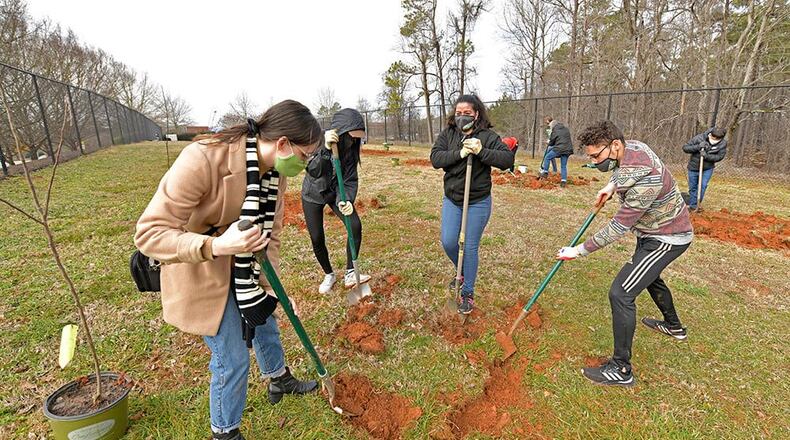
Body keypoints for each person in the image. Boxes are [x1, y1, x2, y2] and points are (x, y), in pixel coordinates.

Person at [135, 100, 322, 440]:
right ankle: (225, 432)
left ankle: (277, 379)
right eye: (305, 156)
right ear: (282, 144)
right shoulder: (203, 158)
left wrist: (270, 286)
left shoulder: (275, 174)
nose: (305, 165)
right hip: (201, 269)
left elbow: (272, 235)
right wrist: (218, 246)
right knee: (232, 357)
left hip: (245, 266)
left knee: (264, 314)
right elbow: (150, 234)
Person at [556, 120, 693, 387]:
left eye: (596, 155)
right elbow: (624, 171)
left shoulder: (646, 183)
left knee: (621, 293)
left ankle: (621, 369)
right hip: (652, 232)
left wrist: (579, 250)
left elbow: (618, 227)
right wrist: (611, 186)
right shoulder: (634, 147)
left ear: (615, 145)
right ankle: (674, 326)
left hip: (667, 238)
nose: (594, 162)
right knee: (649, 276)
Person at [430, 95, 514, 314]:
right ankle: (463, 271)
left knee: (468, 246)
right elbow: (435, 159)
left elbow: (507, 161)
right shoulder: (448, 135)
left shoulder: (486, 136)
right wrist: (460, 153)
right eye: (458, 113)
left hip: (477, 201)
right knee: (449, 242)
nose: (462, 116)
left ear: (477, 114)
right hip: (453, 199)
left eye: (467, 113)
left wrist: (481, 151)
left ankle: (467, 292)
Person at [301, 108, 370, 294]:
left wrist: (344, 200)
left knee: (355, 225)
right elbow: (314, 171)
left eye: (358, 137)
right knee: (317, 237)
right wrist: (325, 148)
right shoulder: (320, 143)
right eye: (352, 136)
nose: (355, 140)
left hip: (335, 193)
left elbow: (349, 179)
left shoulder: (351, 150)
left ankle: (350, 272)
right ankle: (329, 274)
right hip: (313, 193)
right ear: (340, 132)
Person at [682, 127, 727, 211]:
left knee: (702, 186)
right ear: (710, 134)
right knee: (693, 187)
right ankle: (693, 205)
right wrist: (698, 147)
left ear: (721, 138)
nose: (714, 139)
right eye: (713, 137)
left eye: (717, 138)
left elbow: (719, 157)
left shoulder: (722, 144)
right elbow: (685, 148)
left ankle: (695, 205)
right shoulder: (700, 138)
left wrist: (707, 156)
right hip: (693, 167)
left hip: (707, 168)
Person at [539, 117, 573, 187]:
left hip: (559, 148)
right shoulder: (566, 129)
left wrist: (549, 142)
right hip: (568, 149)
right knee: (563, 166)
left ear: (553, 125)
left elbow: (552, 141)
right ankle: (563, 181)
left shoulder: (555, 130)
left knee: (547, 157)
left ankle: (545, 172)